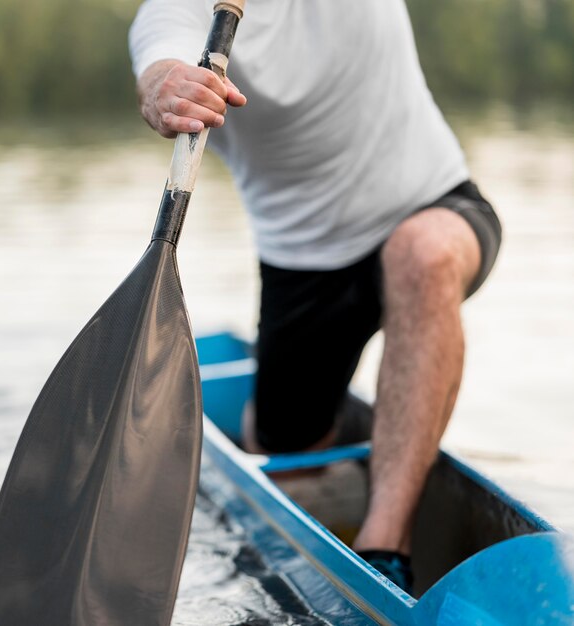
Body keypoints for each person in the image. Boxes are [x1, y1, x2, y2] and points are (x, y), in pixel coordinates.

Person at [128, 0, 502, 595]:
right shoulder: (174, 12)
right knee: (285, 446)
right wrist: (168, 92)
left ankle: (386, 546)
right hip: (302, 268)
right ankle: (280, 435)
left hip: (434, 204)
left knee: (422, 254)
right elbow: (156, 75)